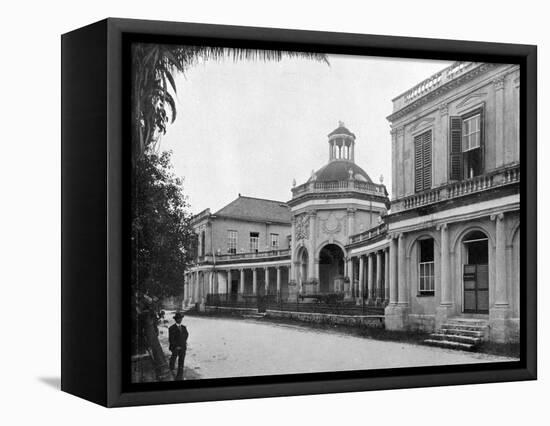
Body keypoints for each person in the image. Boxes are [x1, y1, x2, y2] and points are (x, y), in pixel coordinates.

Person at [168, 312, 189, 380]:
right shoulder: (172, 328)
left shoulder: (183, 327)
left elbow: (186, 335)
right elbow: (171, 339)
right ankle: (171, 369)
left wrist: (183, 343)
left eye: (181, 318)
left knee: (181, 361)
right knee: (173, 358)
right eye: (178, 319)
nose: (180, 320)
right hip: (175, 347)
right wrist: (176, 346)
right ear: (175, 319)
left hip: (182, 347)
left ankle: (179, 376)